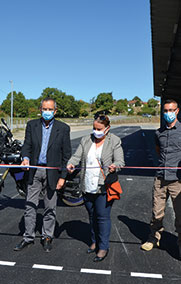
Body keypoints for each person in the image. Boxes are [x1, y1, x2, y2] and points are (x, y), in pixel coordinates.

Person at [14, 97, 71, 252]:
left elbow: (67, 155)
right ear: (40, 109)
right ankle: (28, 237)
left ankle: (47, 236)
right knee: (30, 206)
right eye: (44, 109)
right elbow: (27, 146)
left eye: (50, 109)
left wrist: (63, 177)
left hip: (53, 172)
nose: (47, 112)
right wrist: (25, 158)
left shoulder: (63, 128)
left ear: (55, 111)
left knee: (50, 207)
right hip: (35, 170)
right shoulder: (32, 125)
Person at [67, 113, 124, 262]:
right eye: (94, 128)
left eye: (99, 128)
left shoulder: (114, 141)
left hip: (104, 186)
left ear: (107, 128)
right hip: (87, 185)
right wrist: (71, 163)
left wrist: (114, 166)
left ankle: (103, 247)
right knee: (92, 216)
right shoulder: (86, 140)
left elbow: (120, 161)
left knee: (102, 217)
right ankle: (94, 241)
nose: (96, 131)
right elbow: (77, 156)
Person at [141, 99, 181, 259]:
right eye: (165, 111)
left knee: (180, 215)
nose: (168, 114)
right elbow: (159, 151)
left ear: (177, 111)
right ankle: (154, 238)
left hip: (178, 180)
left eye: (171, 110)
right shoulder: (159, 133)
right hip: (160, 178)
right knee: (156, 212)